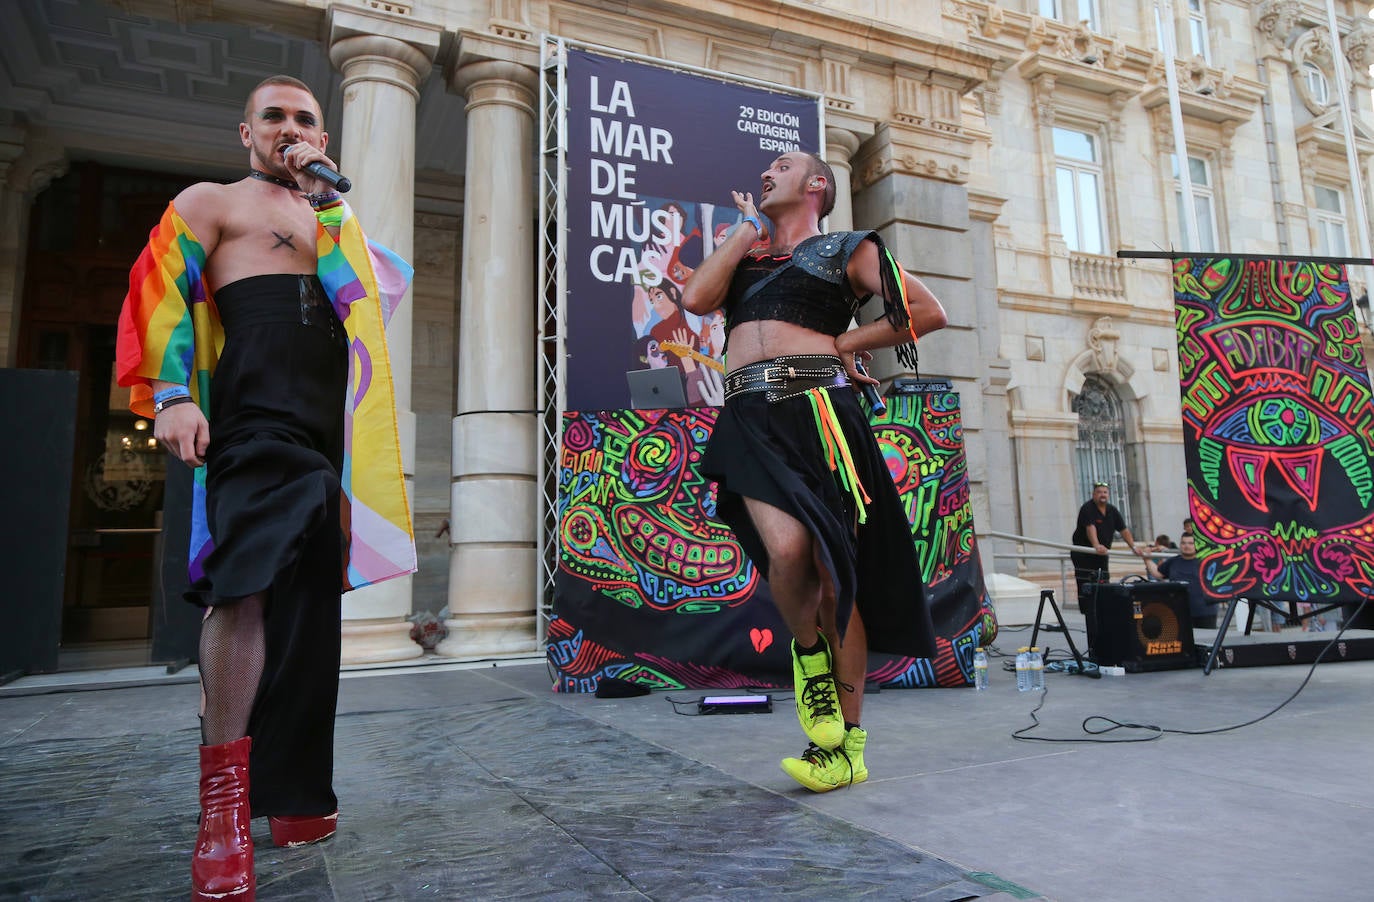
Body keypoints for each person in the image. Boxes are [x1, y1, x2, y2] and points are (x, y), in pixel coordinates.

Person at [116, 75, 415, 902]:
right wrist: (171, 394)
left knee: (310, 608)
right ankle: (220, 810)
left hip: (325, 433)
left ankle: (292, 796)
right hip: (254, 416)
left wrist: (328, 203)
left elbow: (371, 303)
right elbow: (155, 293)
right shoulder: (212, 200)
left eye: (307, 119)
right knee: (243, 587)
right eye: (276, 117)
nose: (292, 128)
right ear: (246, 130)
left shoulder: (327, 215)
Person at [682, 151, 946, 792]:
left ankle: (844, 748)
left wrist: (848, 343)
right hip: (750, 416)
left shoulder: (847, 247)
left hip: (821, 413)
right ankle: (808, 657)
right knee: (791, 547)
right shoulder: (745, 257)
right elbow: (695, 298)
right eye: (763, 166)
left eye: (781, 165)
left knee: (836, 575)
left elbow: (926, 311)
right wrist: (743, 229)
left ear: (817, 184)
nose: (766, 172)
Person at [1070, 482, 1144, 646]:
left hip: (1102, 554)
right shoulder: (1087, 508)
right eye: (1099, 492)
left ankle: (1103, 608)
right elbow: (1091, 528)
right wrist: (1096, 545)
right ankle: (1088, 610)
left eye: (1105, 492)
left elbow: (1123, 530)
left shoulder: (1112, 510)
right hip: (1085, 554)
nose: (1102, 494)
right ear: (1093, 494)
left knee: (1103, 581)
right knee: (1086, 583)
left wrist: (1134, 547)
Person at [1145, 533, 1215, 629]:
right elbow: (1158, 574)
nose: (1186, 546)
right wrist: (1147, 559)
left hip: (1205, 612)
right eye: (1183, 543)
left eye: (1190, 543)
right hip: (1179, 612)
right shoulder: (1173, 561)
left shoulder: (1206, 562)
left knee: (1208, 641)